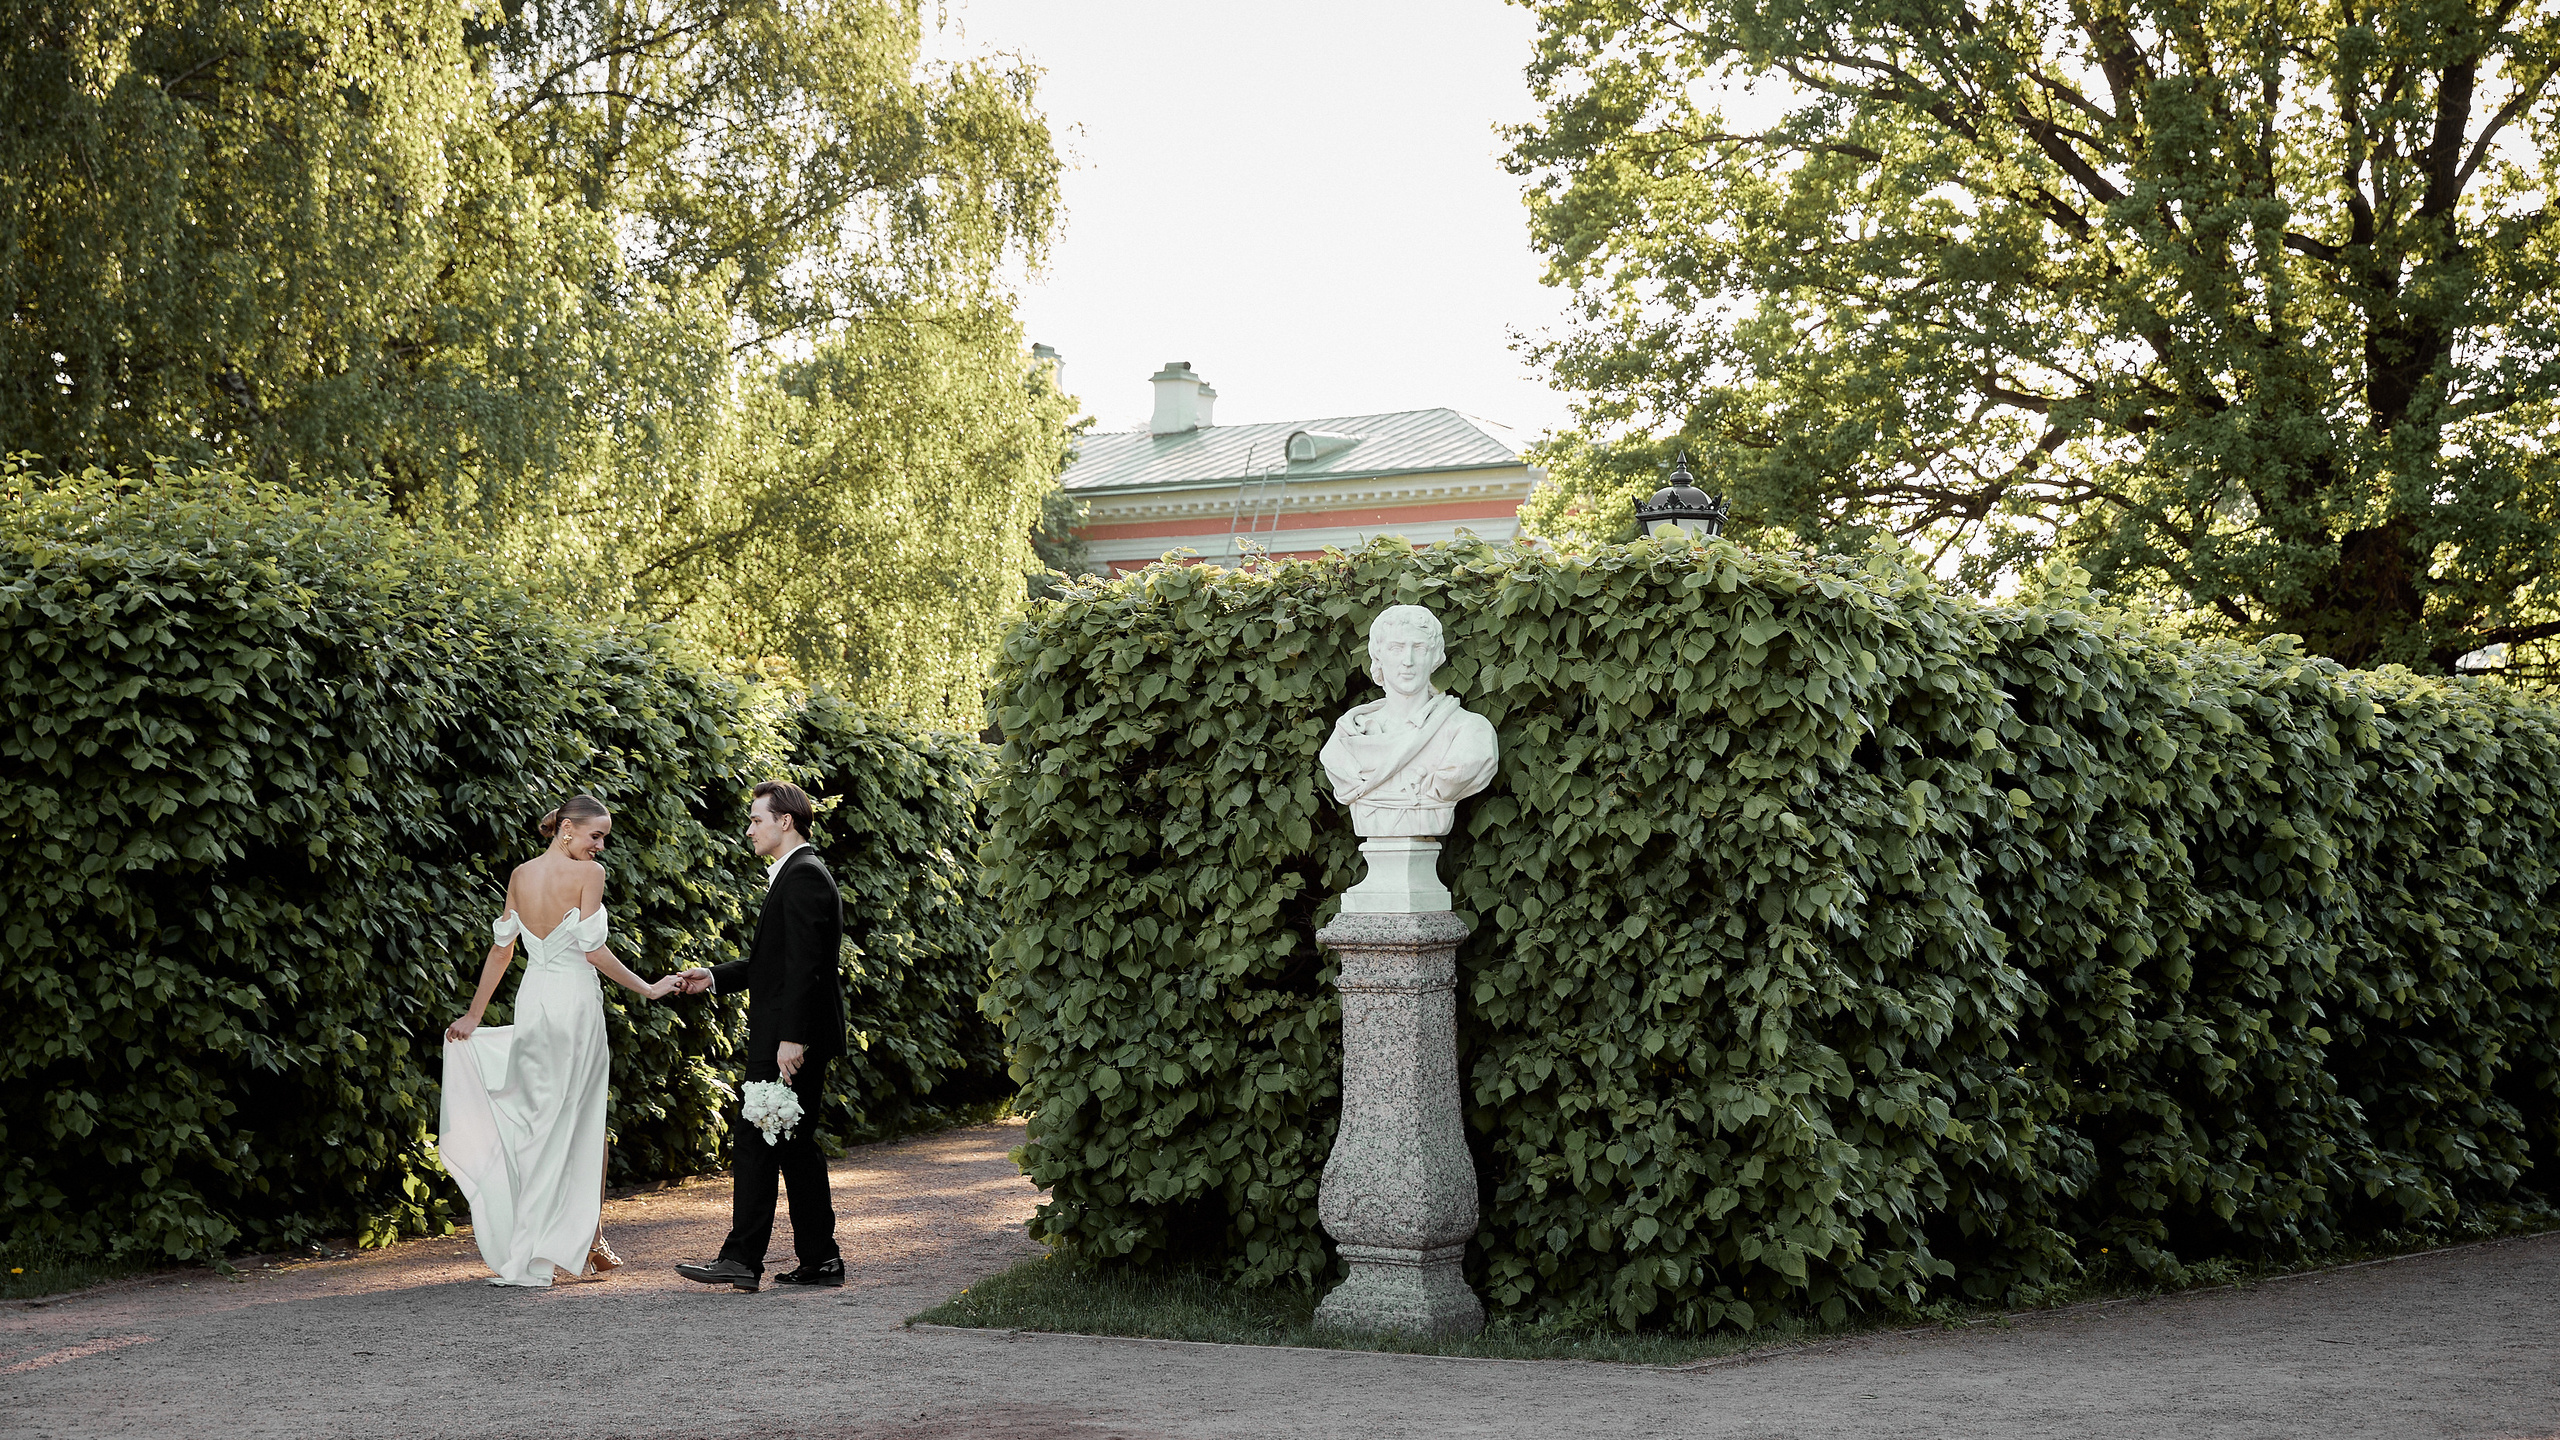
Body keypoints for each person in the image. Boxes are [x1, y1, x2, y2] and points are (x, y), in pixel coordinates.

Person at [440, 794, 681, 1287]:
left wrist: (473, 1014)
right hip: (573, 1006)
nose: (600, 847)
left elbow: (502, 951)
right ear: (567, 829)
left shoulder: (521, 875)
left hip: (533, 1002)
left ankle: (550, 1245)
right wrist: (648, 988)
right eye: (596, 836)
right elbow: (593, 951)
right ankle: (571, 1244)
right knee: (578, 1119)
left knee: (539, 1121)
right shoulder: (589, 877)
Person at [670, 780, 849, 1293]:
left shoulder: (804, 877)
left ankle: (742, 1260)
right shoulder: (795, 875)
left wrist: (791, 1038)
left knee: (754, 1140)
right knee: (793, 1146)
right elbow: (776, 962)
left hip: (789, 1041)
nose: (748, 830)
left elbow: (808, 969)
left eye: (755, 820)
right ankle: (820, 1260)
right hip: (790, 1035)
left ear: (784, 822)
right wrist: (715, 975)